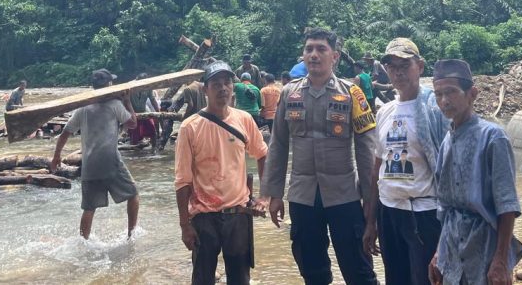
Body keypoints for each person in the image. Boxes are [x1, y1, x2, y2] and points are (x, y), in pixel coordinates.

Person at [263, 27, 379, 285]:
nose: (314, 55)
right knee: (312, 271)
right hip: (303, 196)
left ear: (335, 56)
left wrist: (371, 201)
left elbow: (366, 150)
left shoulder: (353, 94)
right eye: (309, 49)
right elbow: (278, 145)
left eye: (321, 49)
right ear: (303, 55)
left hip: (345, 195)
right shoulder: (288, 94)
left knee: (359, 270)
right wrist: (274, 195)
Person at [428, 59, 522, 285]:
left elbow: (507, 205)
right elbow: (445, 208)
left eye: (450, 92)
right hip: (452, 247)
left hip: (485, 245)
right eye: (438, 94)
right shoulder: (447, 140)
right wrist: (438, 253)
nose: (444, 100)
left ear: (472, 93)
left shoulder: (493, 137)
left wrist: (500, 260)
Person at [362, 38, 449, 285]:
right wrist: (371, 221)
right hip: (390, 212)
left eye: (405, 65)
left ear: (420, 67)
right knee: (396, 279)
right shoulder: (384, 111)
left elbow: (452, 170)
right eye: (392, 66)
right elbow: (377, 167)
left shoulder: (436, 108)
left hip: (424, 213)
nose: (398, 72)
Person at [174, 61, 268, 285]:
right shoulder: (190, 127)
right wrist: (185, 225)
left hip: (238, 213)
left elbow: (263, 154)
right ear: (205, 90)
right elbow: (182, 181)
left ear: (233, 88)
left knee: (240, 278)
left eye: (227, 83)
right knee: (203, 278)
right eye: (216, 84)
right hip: (203, 216)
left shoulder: (244, 119)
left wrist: (264, 196)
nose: (223, 88)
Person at [50, 69, 139, 239]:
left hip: (89, 165)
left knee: (89, 208)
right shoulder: (115, 105)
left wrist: (56, 156)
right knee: (133, 194)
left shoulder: (83, 108)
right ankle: (131, 235)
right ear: (108, 86)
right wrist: (127, 101)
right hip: (111, 161)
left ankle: (83, 242)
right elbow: (133, 124)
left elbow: (65, 133)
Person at [158, 78, 208, 151]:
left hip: (194, 118)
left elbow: (190, 105)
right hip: (203, 115)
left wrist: (185, 117)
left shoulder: (187, 89)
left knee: (191, 141)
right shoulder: (201, 85)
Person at [129, 72, 159, 152]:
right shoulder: (130, 87)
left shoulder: (147, 87)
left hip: (144, 111)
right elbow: (126, 102)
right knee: (134, 133)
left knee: (152, 129)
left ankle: (154, 149)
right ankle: (134, 153)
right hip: (132, 112)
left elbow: (153, 100)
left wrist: (159, 112)